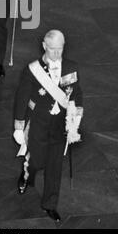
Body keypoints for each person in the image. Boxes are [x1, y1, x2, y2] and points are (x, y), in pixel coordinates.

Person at [13, 30, 84, 222]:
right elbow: (22, 98)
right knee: (36, 160)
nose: (55, 53)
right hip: (38, 123)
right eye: (52, 49)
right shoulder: (33, 70)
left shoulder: (71, 67)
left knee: (54, 166)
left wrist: (74, 123)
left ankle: (50, 204)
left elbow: (76, 95)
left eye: (59, 49)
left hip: (59, 126)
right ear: (44, 46)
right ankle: (27, 174)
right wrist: (19, 127)